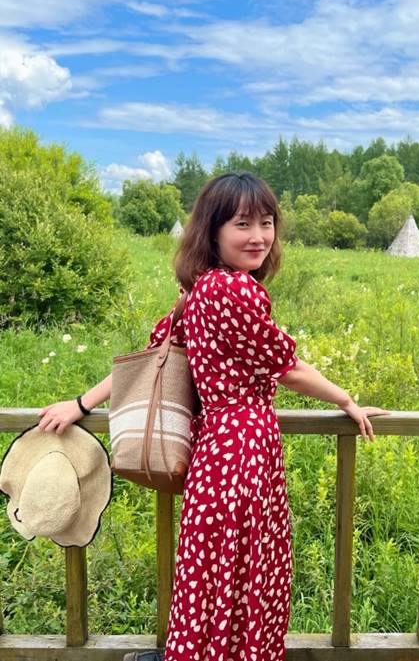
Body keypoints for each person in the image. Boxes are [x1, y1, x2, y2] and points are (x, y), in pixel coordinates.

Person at [37, 172, 390, 661]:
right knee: (246, 574)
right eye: (242, 224)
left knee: (213, 576)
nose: (258, 236)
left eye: (266, 222)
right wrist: (346, 400)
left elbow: (151, 359)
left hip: (214, 453)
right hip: (243, 450)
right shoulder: (236, 291)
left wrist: (80, 404)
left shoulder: (198, 290)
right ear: (214, 230)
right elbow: (287, 368)